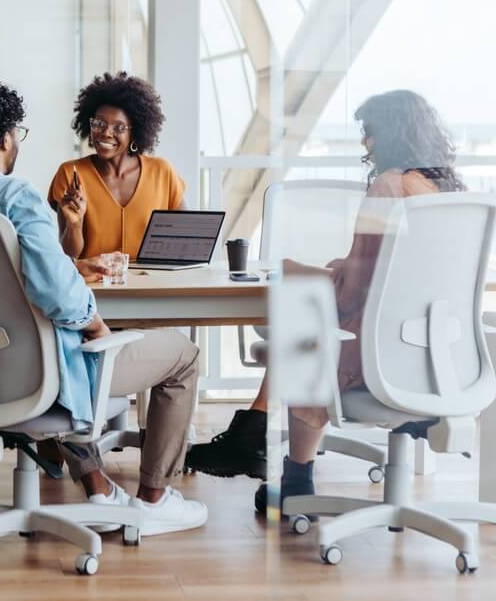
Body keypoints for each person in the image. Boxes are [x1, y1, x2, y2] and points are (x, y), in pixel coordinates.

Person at [0, 81, 208, 535]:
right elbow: (59, 293)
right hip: (41, 373)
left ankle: (99, 488)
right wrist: (96, 325)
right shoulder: (16, 197)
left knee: (75, 345)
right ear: (5, 138)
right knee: (183, 356)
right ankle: (154, 499)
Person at [182, 90, 466, 511]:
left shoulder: (389, 187)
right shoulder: (450, 193)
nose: (365, 143)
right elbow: (390, 279)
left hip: (379, 355)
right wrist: (338, 269)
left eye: (369, 132)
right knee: (307, 323)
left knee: (303, 333)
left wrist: (299, 269)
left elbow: (355, 293)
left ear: (390, 134)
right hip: (438, 356)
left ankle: (293, 475)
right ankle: (256, 433)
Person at [48, 72, 186, 260]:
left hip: (152, 285)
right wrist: (75, 226)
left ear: (134, 132)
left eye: (119, 127)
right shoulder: (71, 174)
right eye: (99, 123)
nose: (106, 133)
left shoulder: (162, 172)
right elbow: (68, 257)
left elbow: (186, 240)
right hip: (93, 287)